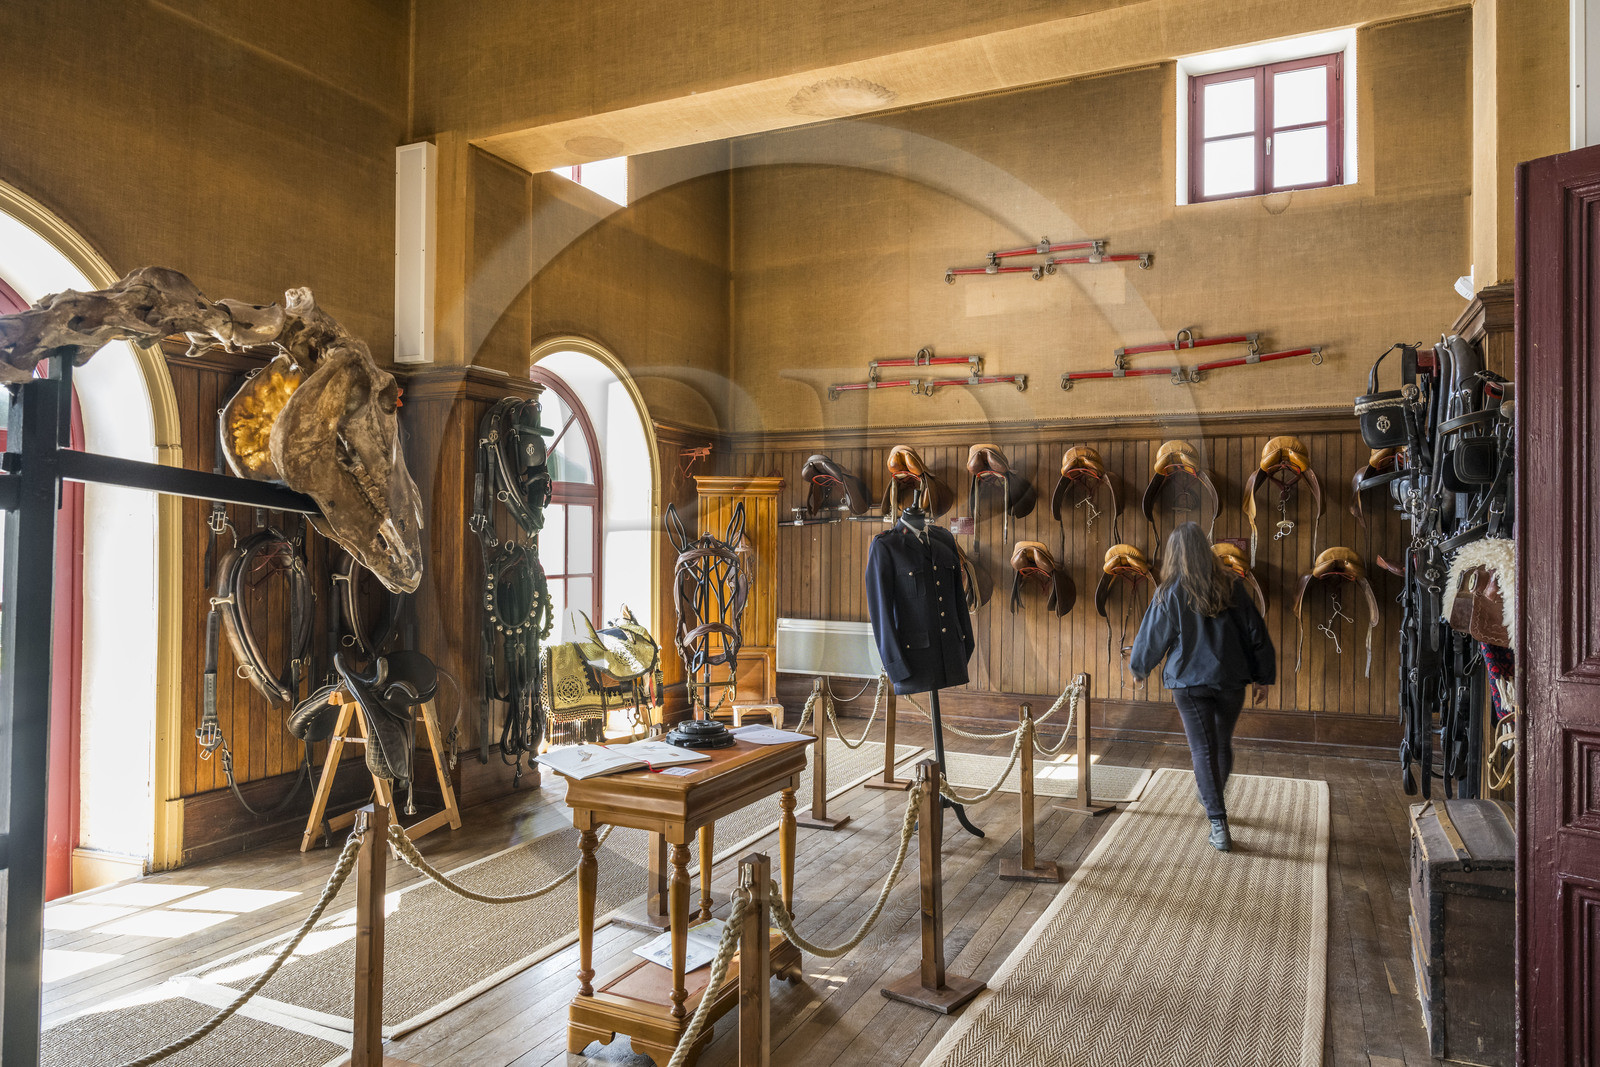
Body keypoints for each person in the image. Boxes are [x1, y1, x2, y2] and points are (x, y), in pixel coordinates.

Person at [1130, 522, 1275, 852]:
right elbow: (1256, 633)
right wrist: (1263, 677)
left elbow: (1152, 637)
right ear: (1205, 549)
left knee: (1203, 750)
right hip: (1230, 680)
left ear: (1173, 554)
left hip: (1189, 683)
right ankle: (1211, 795)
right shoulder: (1232, 586)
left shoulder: (1169, 592)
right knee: (1220, 745)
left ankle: (1218, 824)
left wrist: (1139, 669)